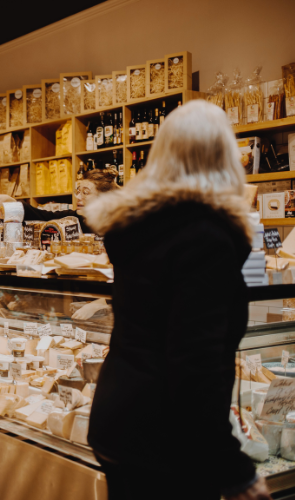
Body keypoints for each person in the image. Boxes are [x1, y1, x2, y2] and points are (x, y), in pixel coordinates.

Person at [85, 101, 272, 500]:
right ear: (224, 156)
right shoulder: (207, 237)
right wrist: (234, 468)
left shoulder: (134, 228)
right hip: (165, 439)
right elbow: (194, 364)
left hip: (117, 422)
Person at [0, 168, 119, 233]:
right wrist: (10, 201)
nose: (78, 197)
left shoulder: (117, 225)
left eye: (86, 193)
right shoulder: (74, 218)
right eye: (78, 192)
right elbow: (43, 216)